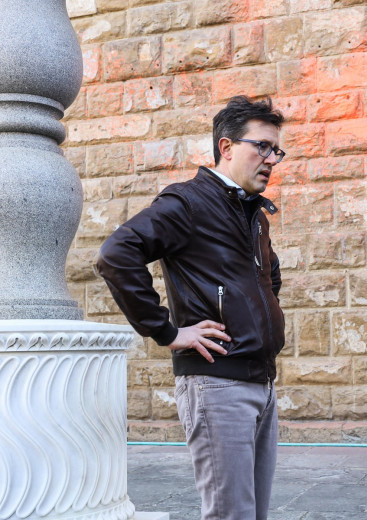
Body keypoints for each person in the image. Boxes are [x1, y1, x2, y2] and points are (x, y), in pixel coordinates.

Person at [96, 95, 287, 520]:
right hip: (217, 386)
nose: (271, 159)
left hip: (262, 384)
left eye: (277, 150)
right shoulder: (189, 202)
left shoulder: (255, 215)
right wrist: (167, 331)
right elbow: (116, 254)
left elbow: (269, 278)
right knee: (229, 514)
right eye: (263, 146)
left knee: (253, 514)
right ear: (226, 146)